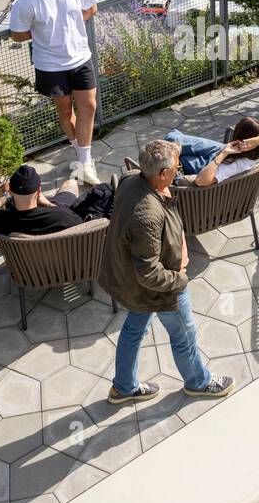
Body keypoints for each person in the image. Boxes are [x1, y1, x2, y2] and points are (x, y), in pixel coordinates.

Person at [99, 140, 233, 405]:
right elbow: (149, 272)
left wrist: (173, 150)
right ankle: (199, 382)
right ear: (161, 174)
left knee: (133, 330)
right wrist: (180, 279)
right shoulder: (147, 215)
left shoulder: (131, 180)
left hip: (133, 284)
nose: (178, 172)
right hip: (160, 288)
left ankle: (124, 387)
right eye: (176, 168)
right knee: (184, 335)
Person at [9, 0, 100, 186]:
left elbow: (92, 6)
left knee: (89, 105)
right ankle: (80, 153)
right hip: (50, 65)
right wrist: (39, 33)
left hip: (80, 57)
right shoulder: (27, 1)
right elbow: (17, 34)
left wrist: (78, 21)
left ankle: (86, 162)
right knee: (64, 110)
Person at [0, 164, 111, 237]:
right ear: (38, 191)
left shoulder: (2, 219)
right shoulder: (62, 216)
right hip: (68, 265)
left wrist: (4, 196)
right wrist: (49, 204)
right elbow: (81, 226)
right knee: (71, 184)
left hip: (31, 272)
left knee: (70, 185)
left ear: (11, 191)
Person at [165, 106, 259, 184]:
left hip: (213, 162)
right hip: (225, 149)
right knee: (172, 139)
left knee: (172, 147)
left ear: (238, 137)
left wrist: (223, 154)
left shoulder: (235, 166)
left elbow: (201, 181)